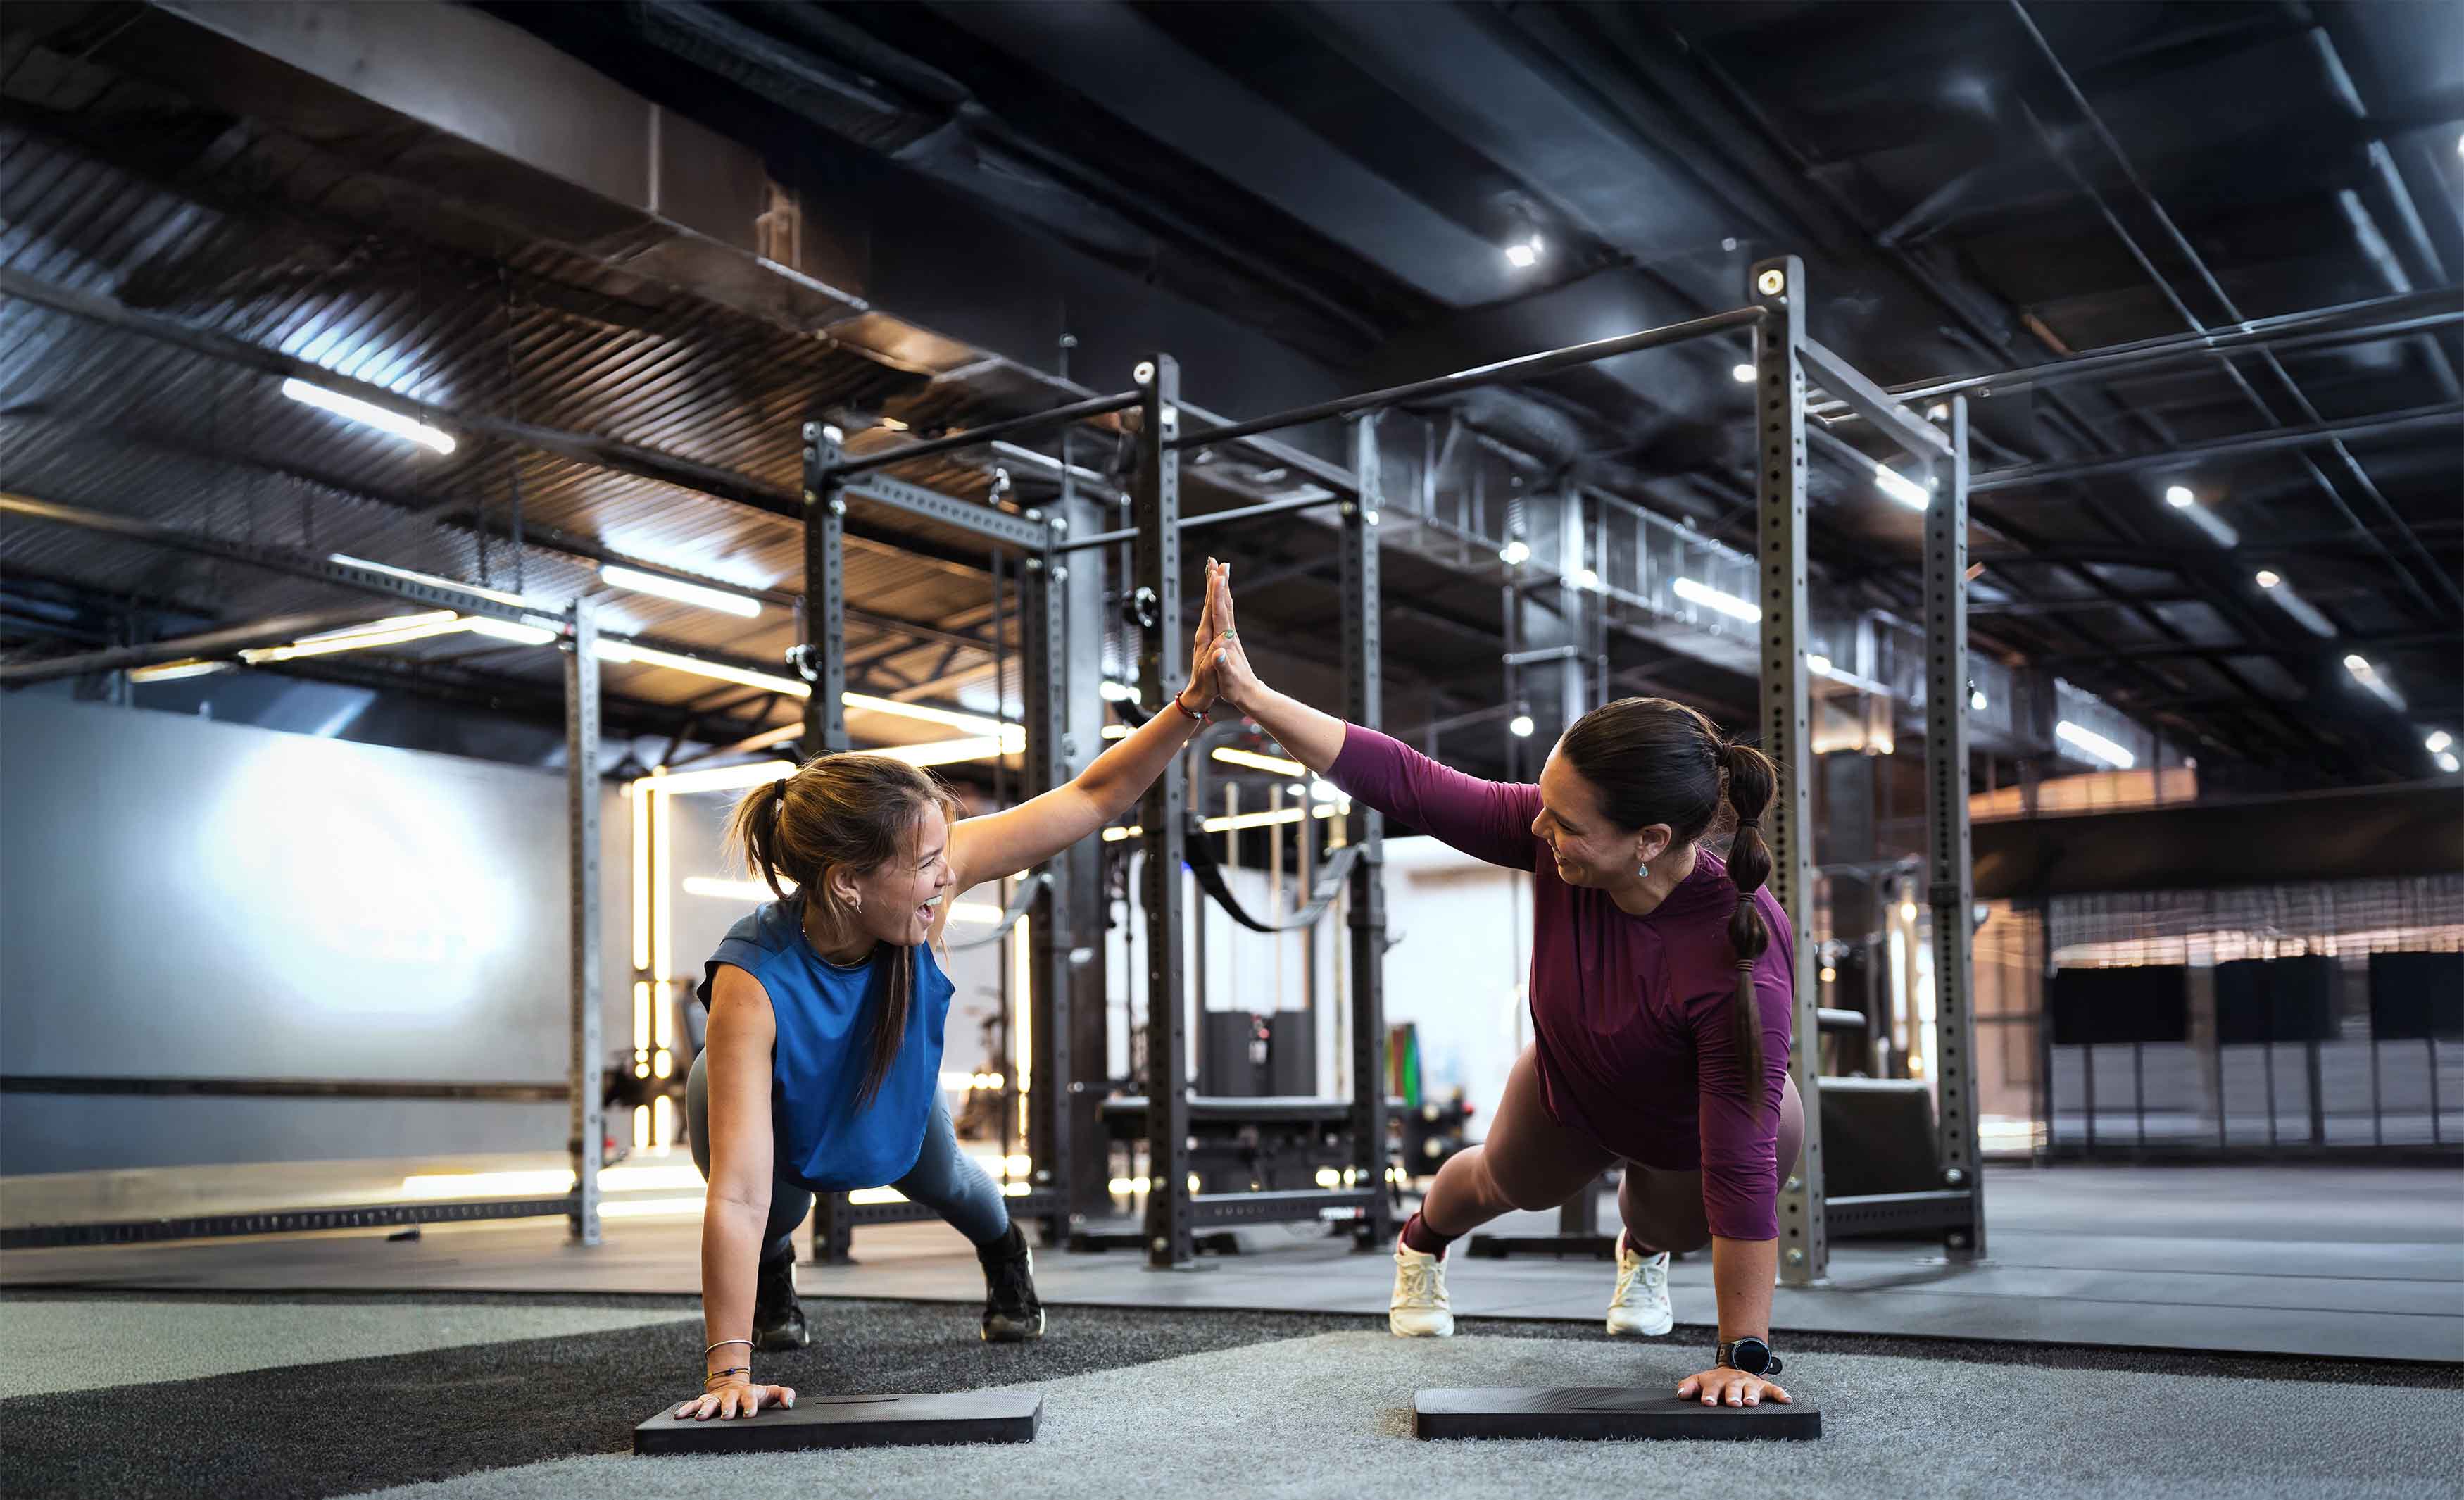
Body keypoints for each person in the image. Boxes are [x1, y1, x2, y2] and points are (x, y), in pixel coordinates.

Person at [1199, 563, 1805, 1411]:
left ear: (1650, 839)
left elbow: (1738, 1170)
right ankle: (1419, 1243)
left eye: (1564, 821)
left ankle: (1643, 1248)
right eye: (1544, 804)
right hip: (1571, 1078)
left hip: (1689, 1123)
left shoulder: (1738, 950)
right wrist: (1250, 695)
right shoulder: (1551, 841)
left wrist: (1743, 1355)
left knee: (1686, 1206)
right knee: (1505, 1185)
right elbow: (1410, 781)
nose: (1535, 826)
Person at [673, 563, 1236, 1423]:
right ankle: (773, 1284)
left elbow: (1091, 796)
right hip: (767, 1107)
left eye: (946, 857)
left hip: (888, 1083)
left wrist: (1190, 707)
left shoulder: (927, 890)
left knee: (954, 1183)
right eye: (926, 865)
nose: (947, 879)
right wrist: (725, 1376)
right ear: (848, 886)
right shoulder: (750, 978)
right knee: (771, 1209)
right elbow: (738, 1195)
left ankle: (1007, 1260)